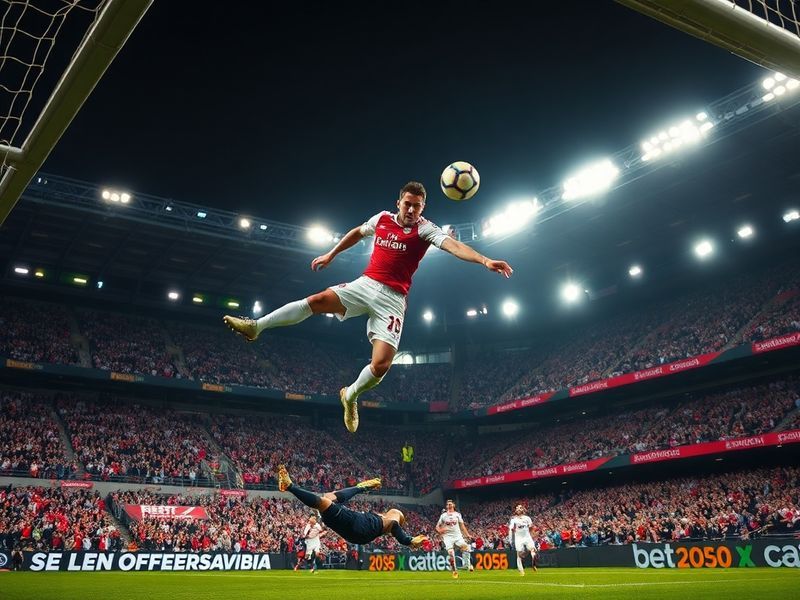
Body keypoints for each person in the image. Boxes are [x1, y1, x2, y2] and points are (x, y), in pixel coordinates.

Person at [223, 181, 513, 432]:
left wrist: (485, 260)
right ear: (399, 202)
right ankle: (256, 327)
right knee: (317, 300)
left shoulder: (425, 230)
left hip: (393, 300)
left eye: (418, 207)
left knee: (381, 364)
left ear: (423, 208)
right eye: (408, 204)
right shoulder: (383, 219)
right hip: (365, 284)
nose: (412, 211)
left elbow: (454, 246)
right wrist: (331, 254)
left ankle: (350, 395)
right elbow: (357, 232)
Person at [276, 465, 427, 549]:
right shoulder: (380, 524)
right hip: (355, 532)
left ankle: (289, 486)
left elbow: (395, 525)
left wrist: (408, 540)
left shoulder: (390, 519)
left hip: (359, 525)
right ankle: (360, 487)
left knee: (324, 502)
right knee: (329, 498)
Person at [436, 499, 473, 578]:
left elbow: (462, 526)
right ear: (446, 506)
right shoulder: (443, 516)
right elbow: (437, 527)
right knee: (451, 554)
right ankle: (454, 571)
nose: (449, 505)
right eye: (447, 504)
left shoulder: (458, 515)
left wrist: (467, 534)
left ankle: (468, 565)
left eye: (450, 504)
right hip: (448, 537)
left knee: (466, 547)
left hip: (458, 536)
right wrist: (440, 531)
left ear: (453, 505)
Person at [508, 503, 538, 576]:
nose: (518, 509)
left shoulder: (527, 518)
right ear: (515, 510)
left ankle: (533, 560)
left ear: (523, 509)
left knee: (533, 549)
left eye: (520, 508)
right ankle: (521, 571)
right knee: (519, 554)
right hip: (518, 538)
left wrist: (533, 536)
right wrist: (510, 537)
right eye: (517, 508)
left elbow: (531, 528)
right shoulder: (513, 520)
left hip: (527, 536)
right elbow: (511, 529)